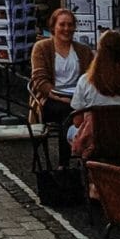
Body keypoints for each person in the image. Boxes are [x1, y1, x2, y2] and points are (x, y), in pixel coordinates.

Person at [30, 9, 95, 166]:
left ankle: (90, 157)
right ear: (53, 27)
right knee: (67, 112)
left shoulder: (83, 50)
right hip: (50, 98)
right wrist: (59, 97)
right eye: (62, 25)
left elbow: (93, 76)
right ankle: (64, 163)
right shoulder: (41, 48)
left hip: (78, 98)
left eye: (70, 25)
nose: (67, 29)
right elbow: (40, 81)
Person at [66, 29, 120, 148]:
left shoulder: (85, 81)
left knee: (70, 131)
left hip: (96, 143)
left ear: (98, 53)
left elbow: (77, 121)